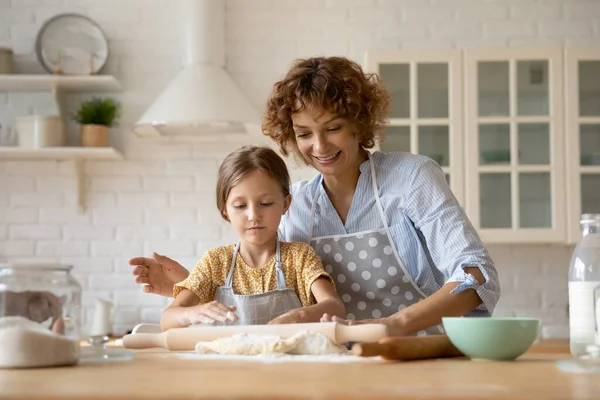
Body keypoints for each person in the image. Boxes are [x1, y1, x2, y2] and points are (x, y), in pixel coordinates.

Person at [132, 56, 500, 336]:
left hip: (420, 351)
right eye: (304, 133)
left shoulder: (410, 178)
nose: (319, 146)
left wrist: (396, 324)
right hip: (337, 361)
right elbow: (276, 287)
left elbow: (476, 274)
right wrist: (194, 285)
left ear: (359, 121)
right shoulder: (297, 204)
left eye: (333, 128)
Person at [157, 146, 345, 330]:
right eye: (240, 206)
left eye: (265, 203)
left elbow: (335, 307)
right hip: (229, 362)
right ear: (225, 210)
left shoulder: (299, 257)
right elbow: (167, 319)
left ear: (285, 204)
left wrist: (301, 316)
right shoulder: (215, 262)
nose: (253, 215)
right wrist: (192, 313)